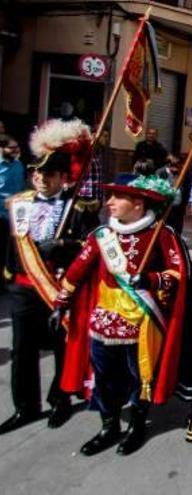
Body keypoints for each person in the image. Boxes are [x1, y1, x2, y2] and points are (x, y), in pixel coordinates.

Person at [50, 174, 192, 456]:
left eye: (117, 197)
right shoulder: (103, 236)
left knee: (141, 377)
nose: (109, 202)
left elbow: (178, 274)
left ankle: (136, 425)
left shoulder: (161, 234)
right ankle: (108, 425)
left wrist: (151, 279)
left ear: (138, 204)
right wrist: (61, 302)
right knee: (104, 377)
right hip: (104, 321)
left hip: (143, 322)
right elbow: (78, 269)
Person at [0, 120, 99, 434]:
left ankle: (61, 400)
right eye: (37, 173)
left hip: (60, 289)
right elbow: (10, 246)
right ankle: (24, 407)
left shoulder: (80, 209)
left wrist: (64, 246)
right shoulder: (19, 204)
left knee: (62, 347)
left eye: (49, 174)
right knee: (22, 349)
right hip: (23, 288)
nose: (41, 179)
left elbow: (90, 247)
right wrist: (10, 280)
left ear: (63, 177)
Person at [0, 137, 26, 287]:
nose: (16, 150)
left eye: (17, 147)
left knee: (8, 251)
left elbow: (22, 188)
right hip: (0, 215)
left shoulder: (19, 165)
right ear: (2, 148)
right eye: (12, 148)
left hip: (14, 217)